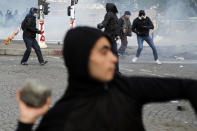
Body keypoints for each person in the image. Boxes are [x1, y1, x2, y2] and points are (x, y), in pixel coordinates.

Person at [16, 27, 197, 131]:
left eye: (111, 52)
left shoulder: (127, 88)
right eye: (104, 52)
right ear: (82, 57)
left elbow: (189, 86)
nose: (113, 58)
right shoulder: (60, 118)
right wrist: (26, 121)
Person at [97, 3, 120, 73]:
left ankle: (114, 70)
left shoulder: (110, 14)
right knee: (113, 54)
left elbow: (106, 22)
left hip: (109, 36)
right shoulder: (114, 15)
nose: (106, 8)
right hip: (109, 37)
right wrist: (101, 25)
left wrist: (101, 25)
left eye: (106, 7)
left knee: (109, 53)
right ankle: (115, 70)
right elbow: (106, 23)